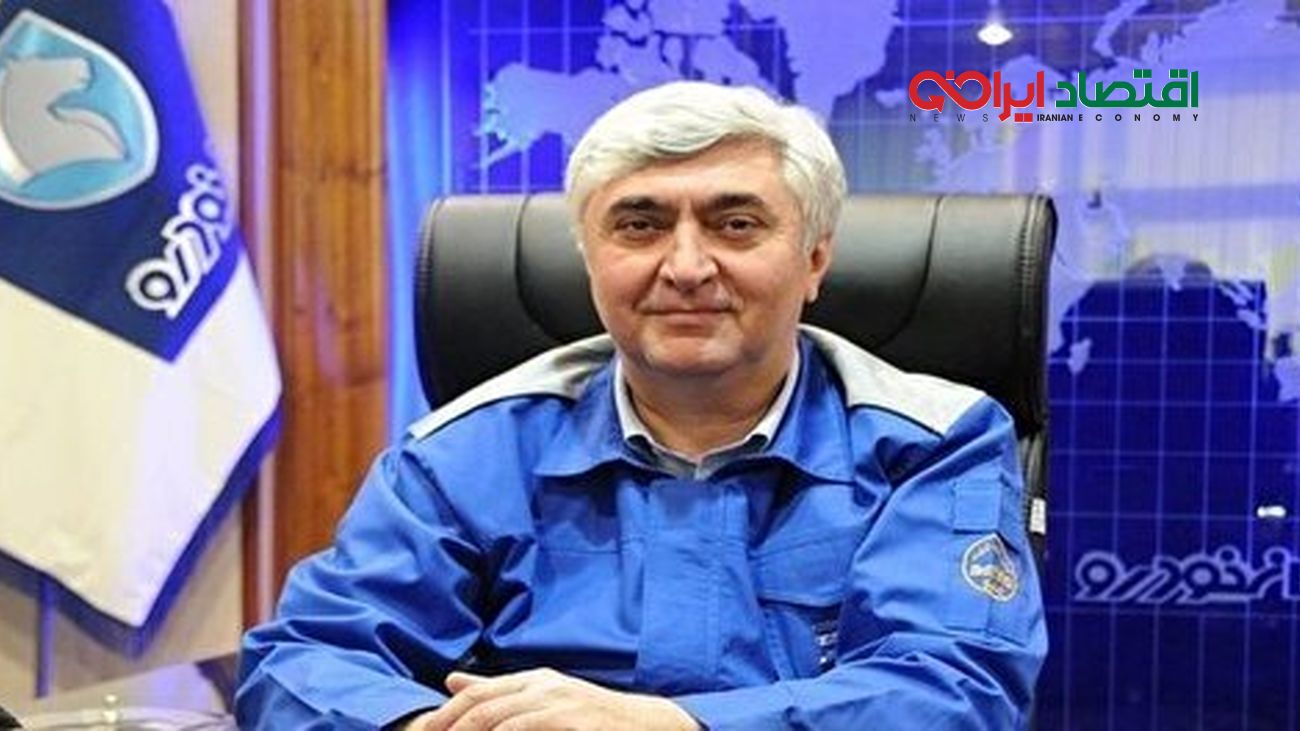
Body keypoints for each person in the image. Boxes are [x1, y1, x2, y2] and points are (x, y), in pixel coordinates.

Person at [235, 81, 1047, 730]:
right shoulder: (464, 453)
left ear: (813, 260)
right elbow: (303, 662)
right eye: (639, 225)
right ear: (590, 259)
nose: (686, 266)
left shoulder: (935, 442)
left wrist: (671, 724)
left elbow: (955, 691)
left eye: (736, 223)